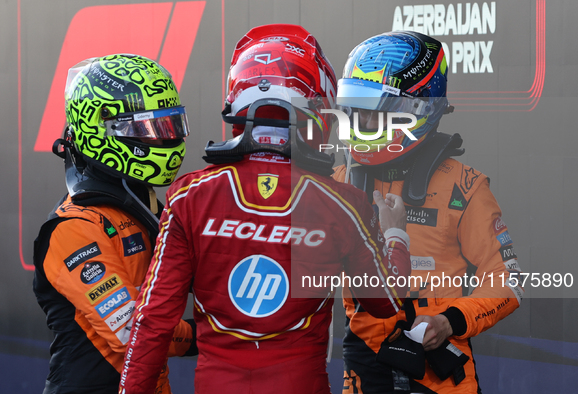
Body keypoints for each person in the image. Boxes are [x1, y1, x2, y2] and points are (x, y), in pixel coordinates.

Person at [118, 24, 411, 394]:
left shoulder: (189, 196)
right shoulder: (344, 204)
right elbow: (387, 301)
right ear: (317, 105)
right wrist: (396, 233)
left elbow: (153, 322)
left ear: (236, 102)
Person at [335, 31, 524, 394]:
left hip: (442, 379)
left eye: (372, 113)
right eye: (355, 112)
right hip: (364, 375)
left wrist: (450, 321)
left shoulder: (465, 187)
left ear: (416, 109)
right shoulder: (338, 182)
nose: (361, 125)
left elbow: (508, 283)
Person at [33, 54, 197, 394]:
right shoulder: (73, 227)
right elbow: (131, 331)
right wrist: (207, 334)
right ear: (102, 130)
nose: (164, 140)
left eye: (169, 127)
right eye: (149, 129)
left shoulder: (143, 207)